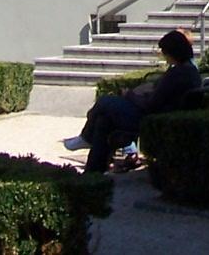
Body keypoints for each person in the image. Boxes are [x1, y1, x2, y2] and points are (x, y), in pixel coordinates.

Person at [65, 29, 200, 172]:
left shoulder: (176, 74)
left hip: (147, 117)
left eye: (165, 53)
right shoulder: (189, 71)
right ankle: (93, 170)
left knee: (104, 101)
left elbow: (151, 105)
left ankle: (86, 138)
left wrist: (130, 95)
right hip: (158, 113)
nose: (165, 57)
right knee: (103, 121)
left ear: (173, 52)